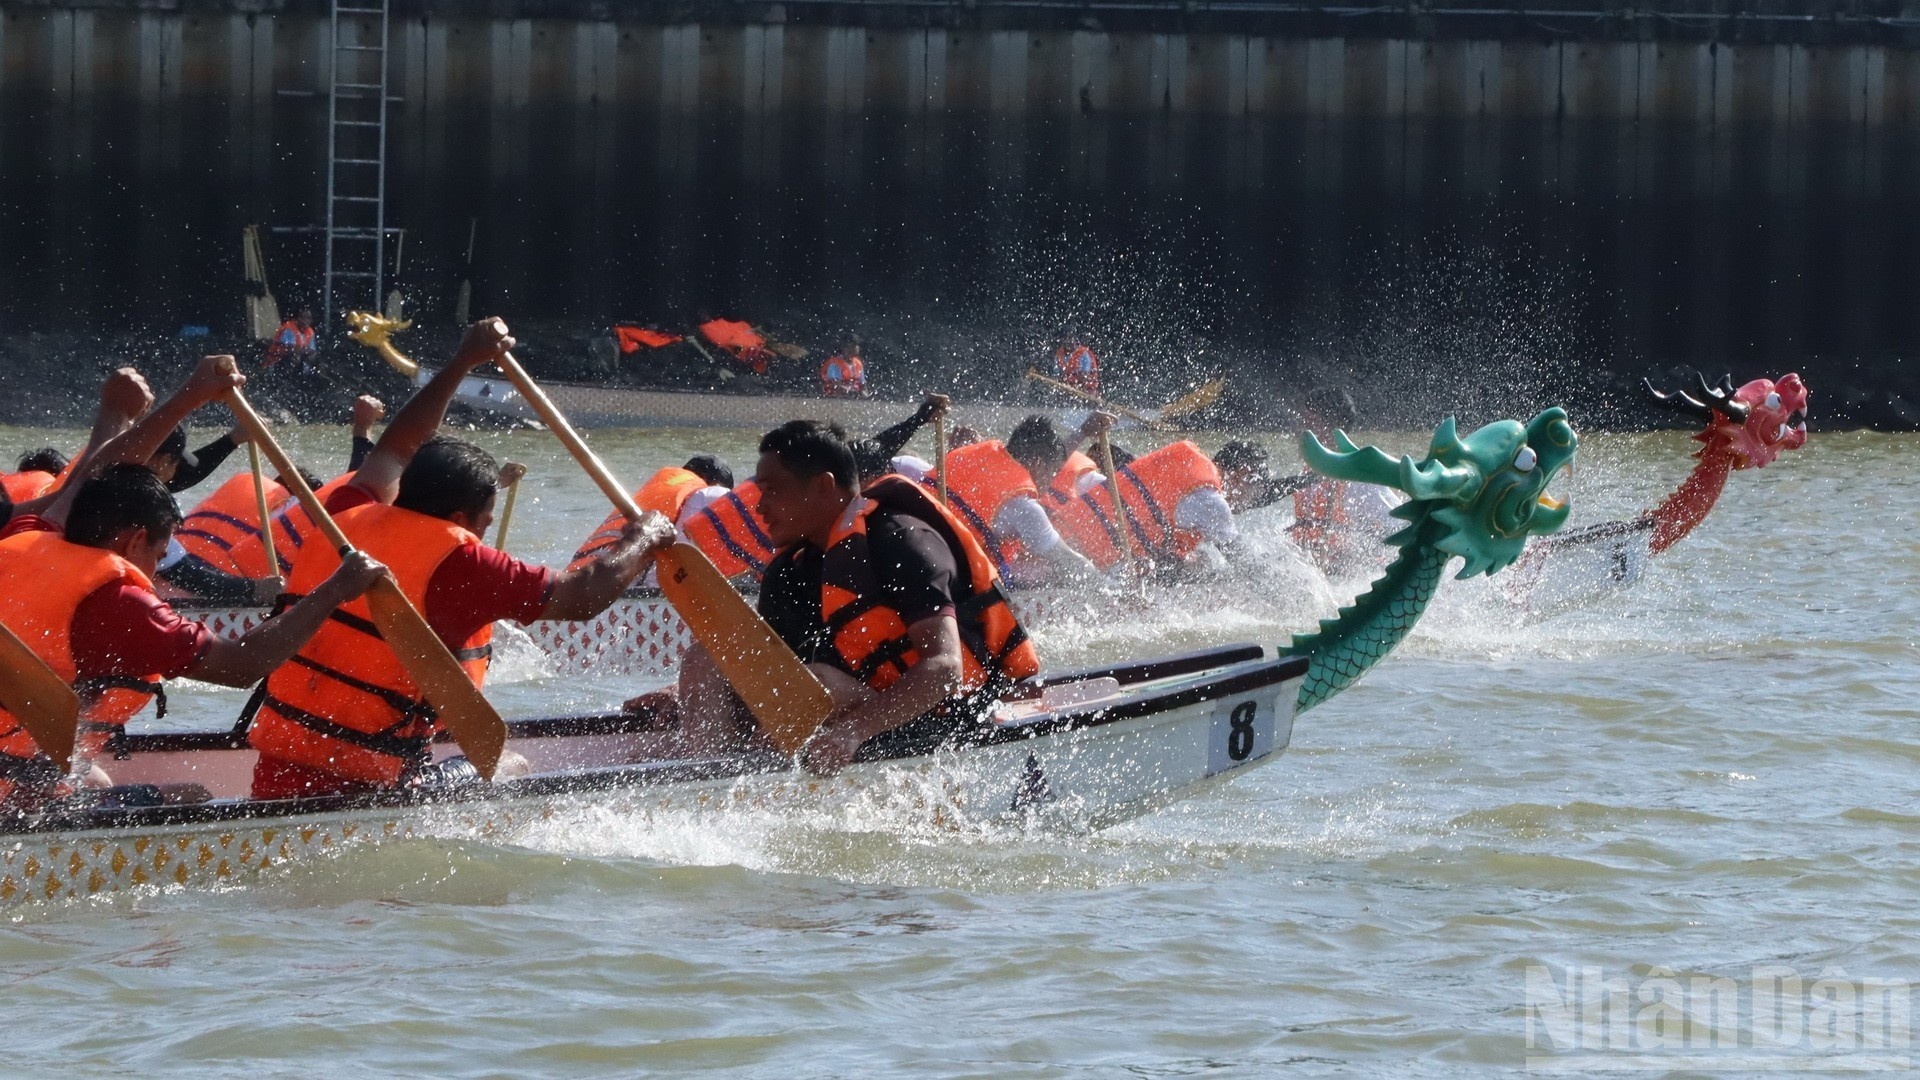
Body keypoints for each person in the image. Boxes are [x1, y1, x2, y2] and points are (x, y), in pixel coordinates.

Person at [245, 319, 676, 800]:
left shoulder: (344, 514)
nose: (485, 531)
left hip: (275, 767)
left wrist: (461, 362)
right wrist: (644, 537)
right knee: (510, 763)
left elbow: (398, 444)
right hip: (375, 786)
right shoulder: (463, 562)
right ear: (460, 515)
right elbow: (584, 595)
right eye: (486, 520)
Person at [0, 373, 388, 812]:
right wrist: (338, 587)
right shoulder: (124, 605)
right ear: (133, 541)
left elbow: (93, 475)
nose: (155, 565)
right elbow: (245, 665)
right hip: (16, 798)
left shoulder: (25, 533)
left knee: (96, 773)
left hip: (28, 764)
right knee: (193, 797)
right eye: (159, 551)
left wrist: (190, 394)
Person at [659, 420, 1038, 775]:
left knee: (816, 684)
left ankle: (752, 771)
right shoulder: (787, 571)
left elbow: (943, 669)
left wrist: (852, 732)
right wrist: (686, 697)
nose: (760, 507)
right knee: (706, 658)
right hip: (846, 705)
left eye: (773, 491)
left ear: (824, 487)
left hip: (942, 715)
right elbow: (770, 669)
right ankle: (704, 769)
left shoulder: (902, 539)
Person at [1047, 417, 1239, 577]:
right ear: (1241, 476)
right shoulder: (1208, 501)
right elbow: (1242, 562)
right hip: (1073, 559)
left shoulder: (1095, 483)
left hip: (1064, 550)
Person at [929, 431, 1098, 586]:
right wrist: (1107, 586)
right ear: (1037, 464)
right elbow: (1066, 560)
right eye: (1052, 473)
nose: (1049, 484)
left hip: (925, 550)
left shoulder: (975, 455)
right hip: (948, 579)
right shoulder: (1022, 505)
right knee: (1054, 573)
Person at [1288, 387, 1397, 575]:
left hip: (1349, 578)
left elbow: (1400, 527)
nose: (1301, 432)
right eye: (1302, 423)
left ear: (1334, 428)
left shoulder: (1359, 479)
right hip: (1316, 576)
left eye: (1310, 424)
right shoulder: (1309, 472)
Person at [567, 454, 735, 572]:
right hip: (631, 589)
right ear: (713, 482)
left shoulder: (655, 492)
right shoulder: (711, 494)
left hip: (581, 579)